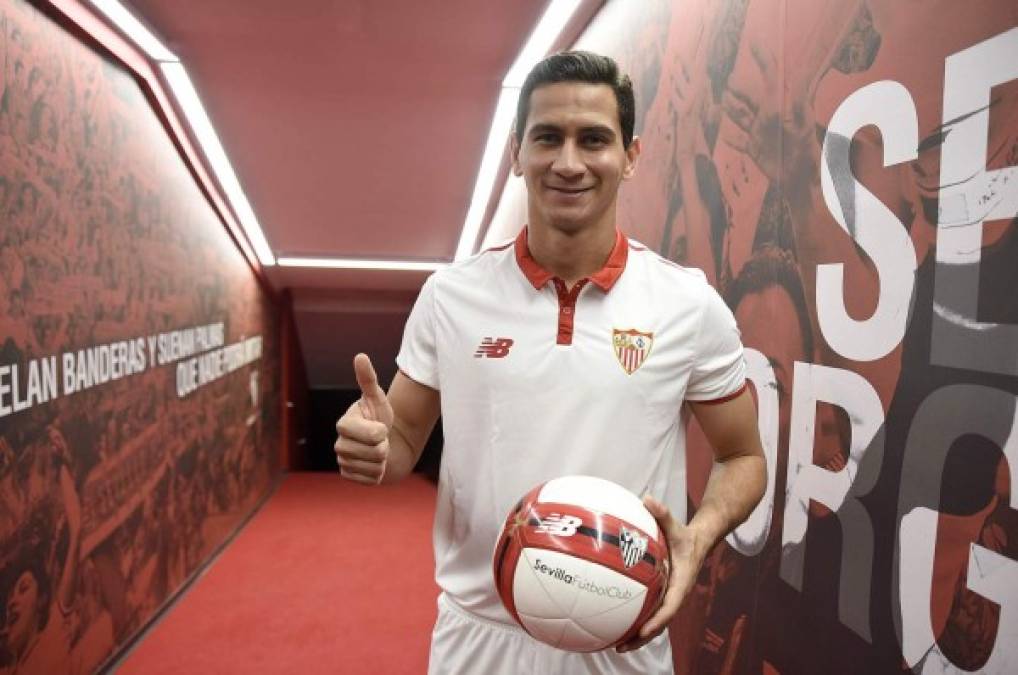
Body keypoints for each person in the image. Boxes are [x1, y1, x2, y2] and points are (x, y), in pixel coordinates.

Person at [335, 51, 766, 675]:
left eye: (593, 139)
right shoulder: (451, 296)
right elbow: (402, 438)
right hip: (478, 638)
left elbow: (743, 456)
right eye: (547, 139)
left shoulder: (688, 304)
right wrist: (375, 446)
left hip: (624, 639)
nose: (569, 163)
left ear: (632, 155)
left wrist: (697, 539)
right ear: (516, 154)